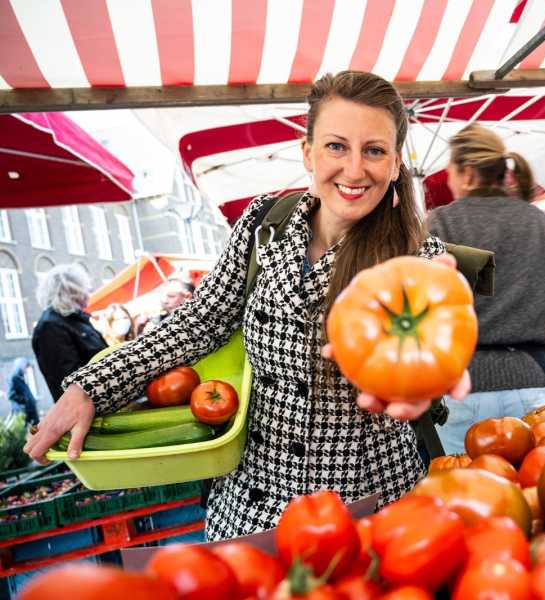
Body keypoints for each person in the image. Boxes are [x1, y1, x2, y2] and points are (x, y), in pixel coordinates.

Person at [24, 71, 470, 541]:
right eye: (336, 146)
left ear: (396, 163)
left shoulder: (415, 262)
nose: (355, 169)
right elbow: (199, 323)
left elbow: (436, 357)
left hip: (367, 507)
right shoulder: (263, 226)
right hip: (253, 506)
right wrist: (92, 387)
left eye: (374, 150)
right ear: (308, 152)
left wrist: (423, 383)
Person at [426, 124, 545, 455]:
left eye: (449, 171)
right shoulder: (542, 224)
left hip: (460, 391)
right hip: (535, 387)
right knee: (535, 499)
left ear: (465, 173)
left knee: (467, 498)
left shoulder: (439, 224)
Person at [31, 264, 107, 403]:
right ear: (72, 290)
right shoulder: (51, 327)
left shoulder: (73, 319)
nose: (88, 292)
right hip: (90, 412)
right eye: (84, 287)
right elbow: (69, 384)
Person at [7, 358, 39, 426]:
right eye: (25, 367)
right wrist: (25, 400)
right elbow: (11, 395)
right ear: (20, 365)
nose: (26, 369)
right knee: (30, 433)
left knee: (36, 431)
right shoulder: (14, 378)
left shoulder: (20, 378)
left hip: (30, 412)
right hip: (24, 412)